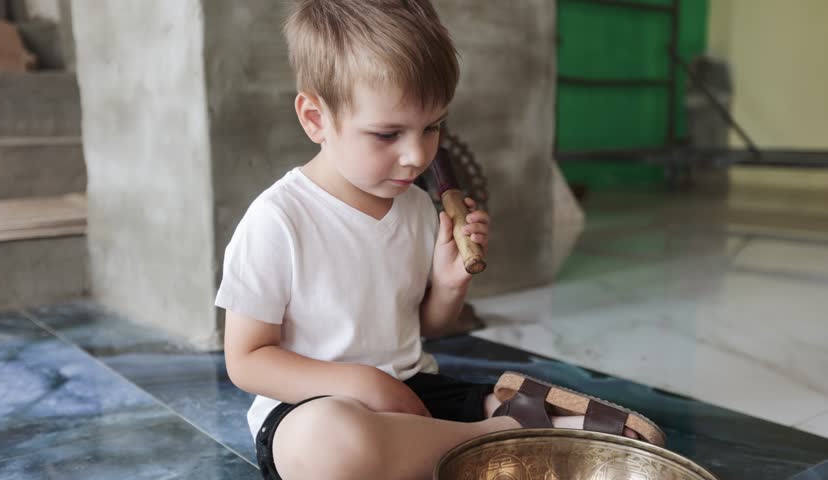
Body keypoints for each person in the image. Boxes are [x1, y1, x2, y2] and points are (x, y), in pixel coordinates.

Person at [215, 1, 660, 479]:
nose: (415, 156)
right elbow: (247, 360)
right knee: (331, 443)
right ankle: (496, 443)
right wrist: (362, 383)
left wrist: (448, 285)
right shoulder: (277, 220)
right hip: (311, 407)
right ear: (315, 118)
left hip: (413, 389)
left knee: (471, 398)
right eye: (387, 134)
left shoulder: (413, 207)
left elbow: (423, 326)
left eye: (432, 127)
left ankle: (485, 439)